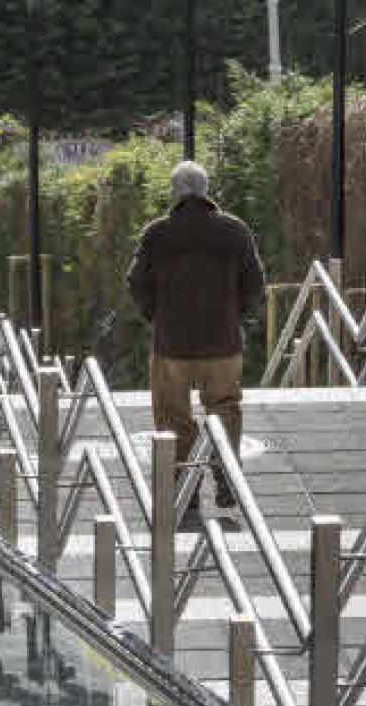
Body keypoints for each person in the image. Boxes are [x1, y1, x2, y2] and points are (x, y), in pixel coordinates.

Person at [126, 161, 265, 512]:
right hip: (223, 343)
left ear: (174, 193)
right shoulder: (235, 230)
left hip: (172, 345)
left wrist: (154, 315)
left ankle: (184, 488)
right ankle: (227, 482)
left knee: (173, 416)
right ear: (206, 191)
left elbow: (136, 281)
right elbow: (255, 283)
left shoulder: (157, 233)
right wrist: (236, 317)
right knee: (225, 411)